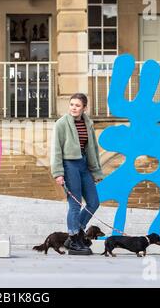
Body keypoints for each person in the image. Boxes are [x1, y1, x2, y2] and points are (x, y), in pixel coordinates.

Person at [51, 93, 104, 255]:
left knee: (94, 202)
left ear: (84, 108)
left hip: (84, 164)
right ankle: (74, 239)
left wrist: (95, 170)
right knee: (75, 204)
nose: (74, 108)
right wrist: (58, 173)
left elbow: (93, 148)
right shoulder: (61, 124)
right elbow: (56, 150)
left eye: (78, 105)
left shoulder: (88, 124)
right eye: (72, 104)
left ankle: (74, 235)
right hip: (69, 165)